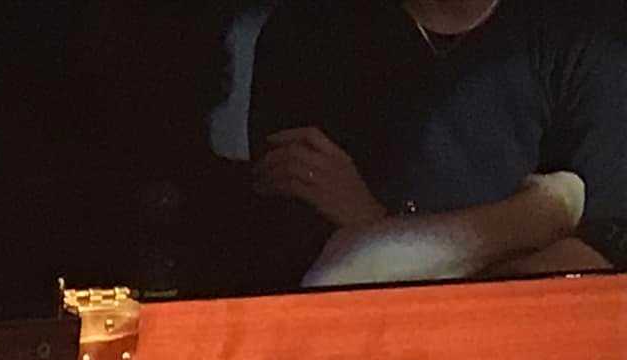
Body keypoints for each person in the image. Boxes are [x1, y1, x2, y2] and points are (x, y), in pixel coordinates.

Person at [247, 0, 627, 288]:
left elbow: (596, 256)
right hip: (357, 347)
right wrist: (534, 218)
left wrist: (377, 230)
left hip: (521, 349)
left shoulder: (588, 32)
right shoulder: (306, 33)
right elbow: (310, 273)